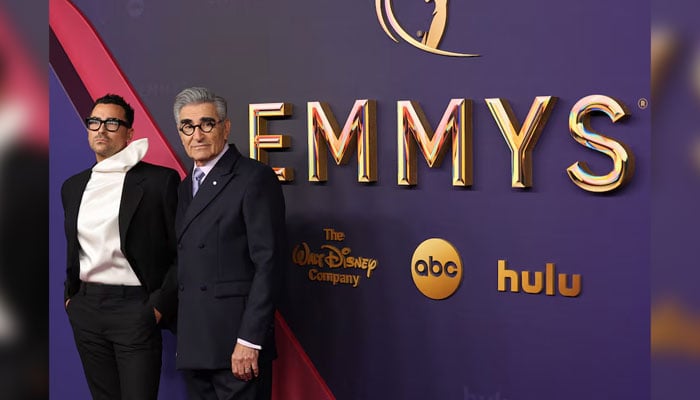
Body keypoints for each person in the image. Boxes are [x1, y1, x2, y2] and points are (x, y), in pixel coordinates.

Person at [61, 94, 179, 400]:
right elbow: (75, 249)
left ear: (129, 133)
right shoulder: (73, 186)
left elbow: (183, 251)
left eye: (112, 122)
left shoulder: (158, 182)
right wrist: (71, 298)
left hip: (135, 307)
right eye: (95, 122)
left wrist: (156, 307)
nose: (101, 129)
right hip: (86, 306)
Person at [172, 87, 286, 400]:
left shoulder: (253, 178)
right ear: (180, 133)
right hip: (196, 345)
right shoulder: (184, 189)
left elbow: (269, 264)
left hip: (236, 348)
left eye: (207, 124)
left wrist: (250, 340)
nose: (197, 134)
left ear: (226, 127)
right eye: (188, 126)